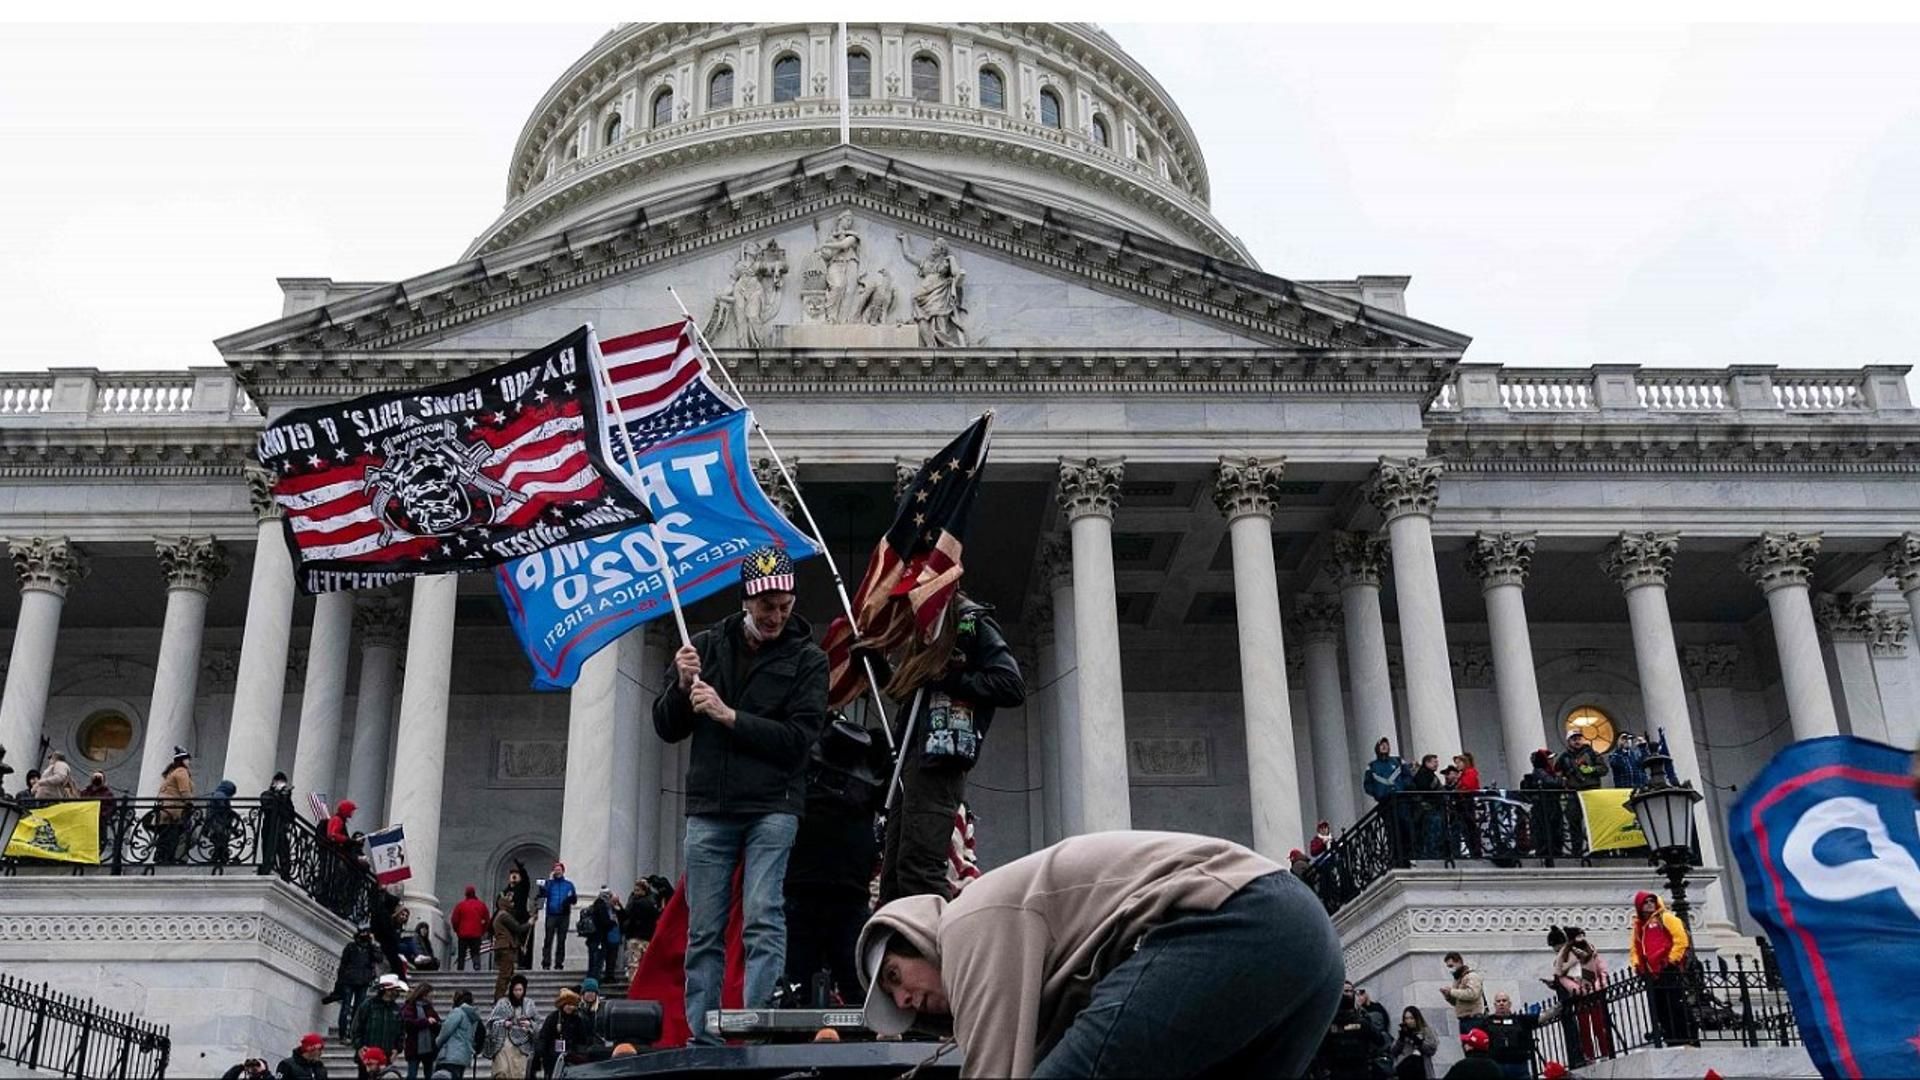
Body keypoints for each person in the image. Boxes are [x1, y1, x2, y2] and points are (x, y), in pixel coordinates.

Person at [858, 830, 1342, 1078]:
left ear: (918, 936)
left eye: (896, 976)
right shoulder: (1030, 962)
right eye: (895, 998)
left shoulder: (965, 922)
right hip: (1310, 949)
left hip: (1241, 917)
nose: (903, 1001)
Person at [653, 545, 830, 1043]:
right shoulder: (706, 646)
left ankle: (757, 1030)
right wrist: (681, 686)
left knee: (762, 915)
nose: (775, 615)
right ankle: (703, 1037)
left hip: (774, 805)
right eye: (766, 604)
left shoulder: (808, 660)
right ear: (746, 600)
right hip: (711, 806)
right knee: (704, 930)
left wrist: (730, 717)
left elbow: (800, 741)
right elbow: (667, 727)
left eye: (784, 604)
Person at [872, 593, 1025, 904]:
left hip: (940, 760)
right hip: (910, 761)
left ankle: (942, 946)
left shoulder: (970, 623)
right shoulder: (926, 630)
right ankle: (899, 946)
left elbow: (1010, 684)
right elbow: (909, 696)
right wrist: (875, 663)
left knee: (920, 869)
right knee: (894, 876)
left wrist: (950, 677)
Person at [783, 712, 885, 1006]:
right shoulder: (809, 758)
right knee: (807, 983)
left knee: (852, 986)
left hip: (834, 891)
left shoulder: (869, 767)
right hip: (813, 889)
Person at [1629, 890, 1695, 1048]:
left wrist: (1672, 960)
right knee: (1660, 1008)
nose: (1650, 904)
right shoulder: (1639, 926)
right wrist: (1637, 965)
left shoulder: (1666, 917)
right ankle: (1670, 1038)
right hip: (1651, 973)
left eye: (1652, 901)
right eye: (1646, 902)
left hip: (1667, 968)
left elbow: (1681, 939)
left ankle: (1685, 1038)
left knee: (1676, 1005)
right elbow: (1635, 948)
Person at [1547, 925, 1611, 1064]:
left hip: (1593, 992)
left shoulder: (1589, 953)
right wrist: (1576, 990)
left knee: (1599, 1024)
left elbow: (1601, 970)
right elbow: (1564, 979)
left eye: (1558, 946)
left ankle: (1605, 1051)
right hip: (1580, 995)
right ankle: (1590, 1055)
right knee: (1584, 1027)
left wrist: (1600, 985)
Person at [331, 927, 381, 1042]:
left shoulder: (370, 949)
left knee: (358, 1010)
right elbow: (343, 965)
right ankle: (343, 1034)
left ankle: (353, 1034)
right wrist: (339, 983)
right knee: (346, 1008)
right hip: (349, 980)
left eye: (367, 933)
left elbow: (379, 958)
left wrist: (373, 944)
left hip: (363, 981)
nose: (365, 935)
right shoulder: (351, 947)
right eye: (363, 932)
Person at [485, 974, 539, 1079]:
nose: (518, 992)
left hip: (522, 1045)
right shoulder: (502, 1003)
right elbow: (491, 1023)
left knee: (518, 1073)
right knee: (501, 1072)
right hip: (504, 1043)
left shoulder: (529, 1004)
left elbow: (538, 1024)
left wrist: (529, 1025)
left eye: (520, 990)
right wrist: (503, 1023)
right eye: (515, 990)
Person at [1318, 981, 1376, 1080]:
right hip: (1341, 1071)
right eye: (1345, 991)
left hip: (1359, 1071)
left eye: (1350, 991)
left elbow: (1378, 1039)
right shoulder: (1330, 1023)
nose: (1348, 994)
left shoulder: (1362, 1020)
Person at [530, 989, 592, 1079]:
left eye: (572, 1005)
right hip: (553, 1056)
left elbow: (583, 1039)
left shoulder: (578, 1019)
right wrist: (540, 1052)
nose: (570, 1007)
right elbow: (544, 1037)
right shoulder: (553, 1018)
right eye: (568, 1004)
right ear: (562, 1005)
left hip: (572, 1056)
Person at [1520, 749, 1566, 861]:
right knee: (1547, 828)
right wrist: (1561, 779)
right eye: (1550, 759)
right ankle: (1548, 851)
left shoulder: (1546, 771)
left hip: (1550, 804)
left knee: (1555, 828)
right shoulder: (1540, 772)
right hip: (1545, 805)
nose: (1552, 761)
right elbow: (1552, 783)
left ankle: (1554, 850)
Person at [1481, 994, 1538, 1080]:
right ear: (1494, 1005)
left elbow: (1542, 1018)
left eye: (1504, 1001)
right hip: (1497, 1065)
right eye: (1498, 1001)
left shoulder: (1520, 1020)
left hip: (1519, 1066)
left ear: (1510, 1004)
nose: (1501, 1003)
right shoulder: (1486, 1022)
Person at [154, 746, 195, 864]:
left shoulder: (171, 773)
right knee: (173, 835)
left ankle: (161, 857)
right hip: (174, 810)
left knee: (165, 835)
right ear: (182, 760)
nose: (189, 762)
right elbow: (184, 791)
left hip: (164, 809)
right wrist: (190, 804)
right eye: (187, 759)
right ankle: (168, 858)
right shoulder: (182, 772)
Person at [536, 862, 577, 971]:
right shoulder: (549, 884)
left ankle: (559, 963)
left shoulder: (569, 885)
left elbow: (574, 899)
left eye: (559, 869)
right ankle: (546, 962)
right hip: (551, 914)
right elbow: (543, 894)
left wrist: (569, 899)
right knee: (548, 939)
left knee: (561, 940)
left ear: (563, 871)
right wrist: (546, 883)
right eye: (555, 869)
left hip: (564, 915)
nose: (557, 871)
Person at [353, 975, 406, 1059]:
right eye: (394, 990)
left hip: (387, 1055)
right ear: (386, 990)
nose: (396, 992)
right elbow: (356, 1028)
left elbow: (401, 1032)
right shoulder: (368, 1005)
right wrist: (359, 1046)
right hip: (368, 1054)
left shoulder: (397, 1009)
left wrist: (397, 1049)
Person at [433, 989, 481, 1080]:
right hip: (463, 1055)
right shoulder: (472, 1016)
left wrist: (437, 1043)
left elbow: (446, 1031)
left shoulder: (458, 1012)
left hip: (451, 1054)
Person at [399, 982, 441, 1080]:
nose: (432, 997)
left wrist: (436, 1024)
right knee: (412, 1075)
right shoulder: (410, 1006)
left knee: (429, 1075)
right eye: (431, 995)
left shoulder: (429, 1007)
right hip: (414, 1046)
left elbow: (437, 1021)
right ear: (424, 994)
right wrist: (426, 1022)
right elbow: (407, 1023)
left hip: (429, 1047)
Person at [1439, 951, 1487, 1035]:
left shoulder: (1471, 976)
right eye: (1448, 967)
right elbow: (1457, 1002)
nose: (1450, 969)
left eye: (1451, 965)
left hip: (1474, 1020)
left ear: (1459, 962)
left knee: (1474, 1047)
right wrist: (1448, 996)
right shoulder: (1458, 979)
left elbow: (1472, 994)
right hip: (1464, 1020)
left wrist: (1452, 991)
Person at [259, 772, 296, 879]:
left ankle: (285, 874)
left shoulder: (284, 797)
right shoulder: (267, 794)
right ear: (274, 783)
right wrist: (278, 794)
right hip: (269, 827)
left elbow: (290, 814)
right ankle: (266, 869)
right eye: (279, 782)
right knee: (268, 849)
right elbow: (266, 804)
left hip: (281, 828)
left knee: (284, 852)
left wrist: (287, 798)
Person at [620, 879, 659, 979]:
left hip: (635, 936)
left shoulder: (635, 903)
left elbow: (627, 916)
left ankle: (634, 985)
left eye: (637, 890)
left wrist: (619, 909)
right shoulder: (653, 902)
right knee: (646, 963)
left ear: (643, 891)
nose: (635, 893)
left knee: (634, 963)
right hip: (648, 936)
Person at [491, 893, 526, 1002]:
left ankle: (500, 997)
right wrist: (529, 923)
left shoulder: (500, 915)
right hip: (505, 948)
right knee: (505, 975)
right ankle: (498, 999)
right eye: (510, 902)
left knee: (507, 973)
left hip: (503, 947)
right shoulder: (504, 915)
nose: (513, 904)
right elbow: (518, 928)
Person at [1391, 1006, 1440, 1080]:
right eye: (1406, 1018)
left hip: (1423, 1069)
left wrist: (1419, 1041)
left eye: (1411, 1018)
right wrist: (1401, 1039)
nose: (1409, 1021)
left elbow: (1432, 1049)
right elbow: (1393, 1051)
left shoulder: (1426, 1031)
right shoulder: (1402, 1033)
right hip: (1404, 1069)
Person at [580, 886, 617, 984]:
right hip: (599, 938)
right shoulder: (601, 906)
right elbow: (604, 921)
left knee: (593, 962)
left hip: (594, 938)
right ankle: (593, 982)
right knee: (597, 963)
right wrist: (613, 923)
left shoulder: (596, 905)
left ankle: (592, 980)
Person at [448, 886, 488, 972]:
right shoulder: (481, 905)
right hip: (476, 934)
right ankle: (476, 965)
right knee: (475, 952)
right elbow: (487, 920)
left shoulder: (460, 905)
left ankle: (460, 969)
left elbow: (454, 920)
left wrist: (457, 930)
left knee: (461, 954)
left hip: (463, 934)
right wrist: (482, 931)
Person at [1363, 737, 1407, 804]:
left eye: (1386, 744)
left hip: (1400, 799)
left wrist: (1402, 787)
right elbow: (1368, 784)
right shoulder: (1372, 766)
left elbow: (1407, 776)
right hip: (1383, 801)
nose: (1384, 746)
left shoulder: (1398, 761)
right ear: (1378, 748)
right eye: (1382, 745)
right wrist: (1377, 793)